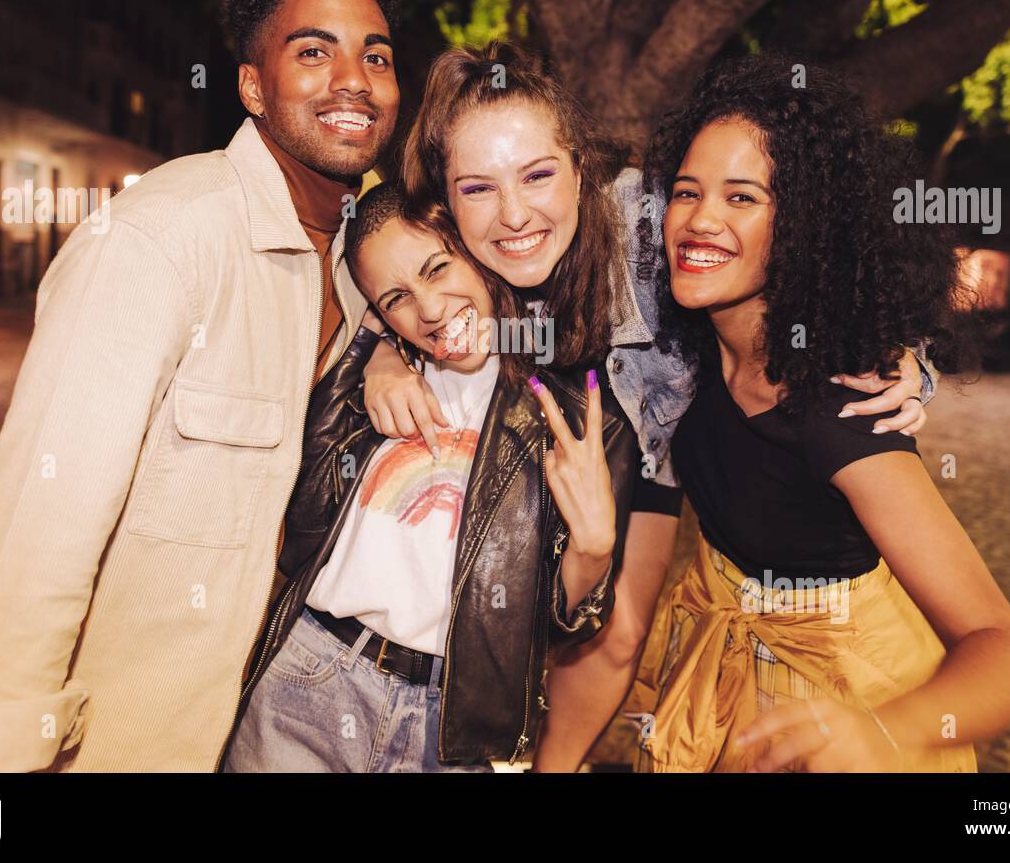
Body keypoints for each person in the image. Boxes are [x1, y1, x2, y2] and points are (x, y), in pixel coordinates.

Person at [361, 41, 937, 770]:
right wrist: (381, 347)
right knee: (531, 597)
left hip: (652, 425)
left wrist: (909, 357)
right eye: (477, 189)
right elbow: (371, 269)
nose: (513, 214)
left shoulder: (650, 213)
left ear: (579, 163)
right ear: (447, 199)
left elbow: (819, 244)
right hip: (547, 415)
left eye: (538, 174)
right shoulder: (454, 233)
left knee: (622, 630)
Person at [0, 0, 401, 771]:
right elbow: (38, 525)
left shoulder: (368, 266)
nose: (353, 81)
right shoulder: (159, 238)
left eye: (376, 55)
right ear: (252, 86)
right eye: (313, 51)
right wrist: (3, 753)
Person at [625, 53, 1010, 772]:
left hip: (852, 713)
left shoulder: (839, 408)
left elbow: (1004, 654)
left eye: (742, 198)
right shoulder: (683, 348)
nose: (700, 219)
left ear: (804, 227)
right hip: (730, 697)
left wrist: (880, 734)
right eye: (687, 192)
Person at [222, 184, 640, 771]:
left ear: (476, 246)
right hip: (312, 680)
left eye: (438, 267)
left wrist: (594, 549)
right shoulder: (373, 372)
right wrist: (372, 356)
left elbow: (553, 626)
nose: (431, 309)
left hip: (453, 725)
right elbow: (301, 528)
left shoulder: (578, 411)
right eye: (397, 298)